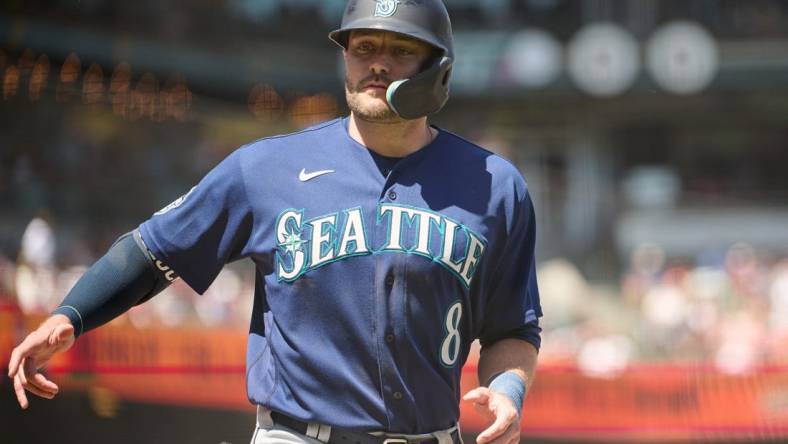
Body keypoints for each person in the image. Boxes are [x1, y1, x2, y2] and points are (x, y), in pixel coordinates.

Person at [8, 1, 543, 443]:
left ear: (439, 69)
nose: (376, 64)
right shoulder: (265, 169)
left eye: (400, 51)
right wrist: (70, 316)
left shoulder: (495, 186)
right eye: (363, 48)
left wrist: (509, 391)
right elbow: (154, 251)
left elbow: (513, 326)